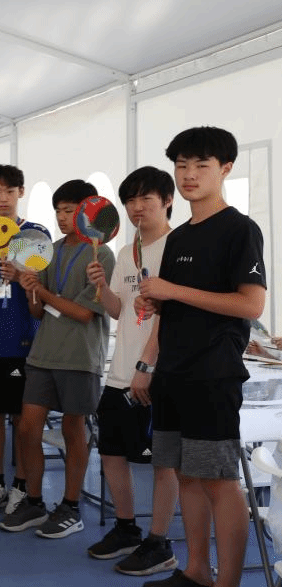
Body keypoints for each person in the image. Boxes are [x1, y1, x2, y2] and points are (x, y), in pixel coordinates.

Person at [135, 127, 265, 587]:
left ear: (225, 168)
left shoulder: (239, 229)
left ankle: (226, 582)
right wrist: (156, 303)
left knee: (218, 480)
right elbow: (176, 304)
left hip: (213, 375)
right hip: (172, 373)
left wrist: (173, 291)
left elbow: (251, 304)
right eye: (181, 165)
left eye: (201, 165)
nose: (189, 174)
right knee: (185, 475)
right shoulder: (179, 238)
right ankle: (195, 572)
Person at [1, 179, 114, 538]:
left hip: (80, 357)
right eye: (58, 211)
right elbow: (38, 311)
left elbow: (83, 313)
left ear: (87, 212)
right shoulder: (49, 251)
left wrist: (42, 291)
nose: (62, 217)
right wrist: (28, 288)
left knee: (72, 430)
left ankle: (70, 506)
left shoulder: (101, 254)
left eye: (70, 210)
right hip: (43, 354)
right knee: (27, 427)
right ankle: (34, 501)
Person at [85, 167, 179, 576]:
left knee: (162, 462)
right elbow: (119, 311)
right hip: (120, 372)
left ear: (167, 201)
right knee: (111, 453)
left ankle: (159, 542)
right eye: (131, 200)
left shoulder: (178, 247)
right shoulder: (127, 251)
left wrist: (148, 367)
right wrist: (102, 287)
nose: (137, 207)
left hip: (156, 375)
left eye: (146, 199)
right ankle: (126, 528)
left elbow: (170, 317)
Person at [0, 164, 50, 516]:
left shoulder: (35, 233)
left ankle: (21, 485)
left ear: (21, 193)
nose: (3, 198)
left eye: (10, 191)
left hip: (24, 340)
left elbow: (44, 284)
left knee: (21, 417)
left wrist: (21, 272)